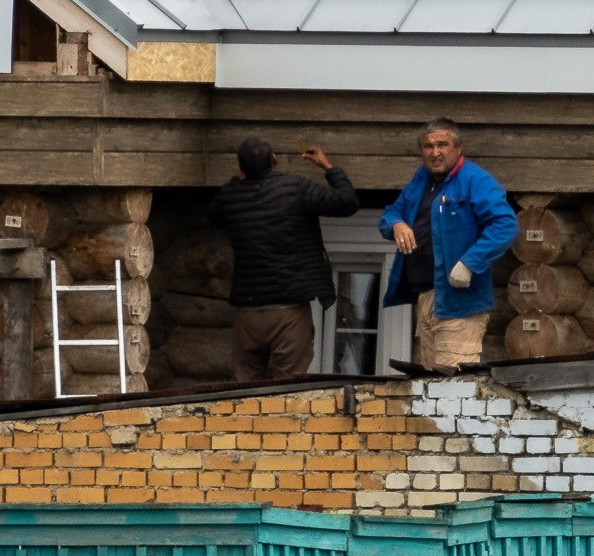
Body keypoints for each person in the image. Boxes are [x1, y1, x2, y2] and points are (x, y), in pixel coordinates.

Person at [207, 136, 359, 382]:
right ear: (274, 160)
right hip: (289, 311)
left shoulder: (230, 196)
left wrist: (238, 179)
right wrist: (328, 166)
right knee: (287, 387)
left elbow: (213, 215)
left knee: (245, 387)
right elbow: (348, 202)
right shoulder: (296, 188)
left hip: (248, 312)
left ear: (241, 167)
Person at [379, 119, 518, 371]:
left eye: (442, 145)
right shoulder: (422, 179)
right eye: (428, 146)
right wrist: (396, 224)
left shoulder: (475, 180)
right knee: (430, 380)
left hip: (459, 303)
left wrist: (469, 263)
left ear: (458, 147)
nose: (435, 152)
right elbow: (390, 213)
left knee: (453, 382)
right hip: (426, 296)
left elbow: (505, 225)